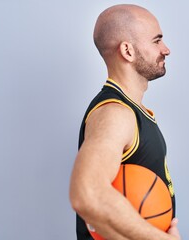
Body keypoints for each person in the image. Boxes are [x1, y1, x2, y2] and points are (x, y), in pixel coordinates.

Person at [69, 4, 181, 240]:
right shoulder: (116, 113)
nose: (166, 49)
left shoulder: (131, 111)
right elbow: (86, 193)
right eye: (156, 41)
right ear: (128, 51)